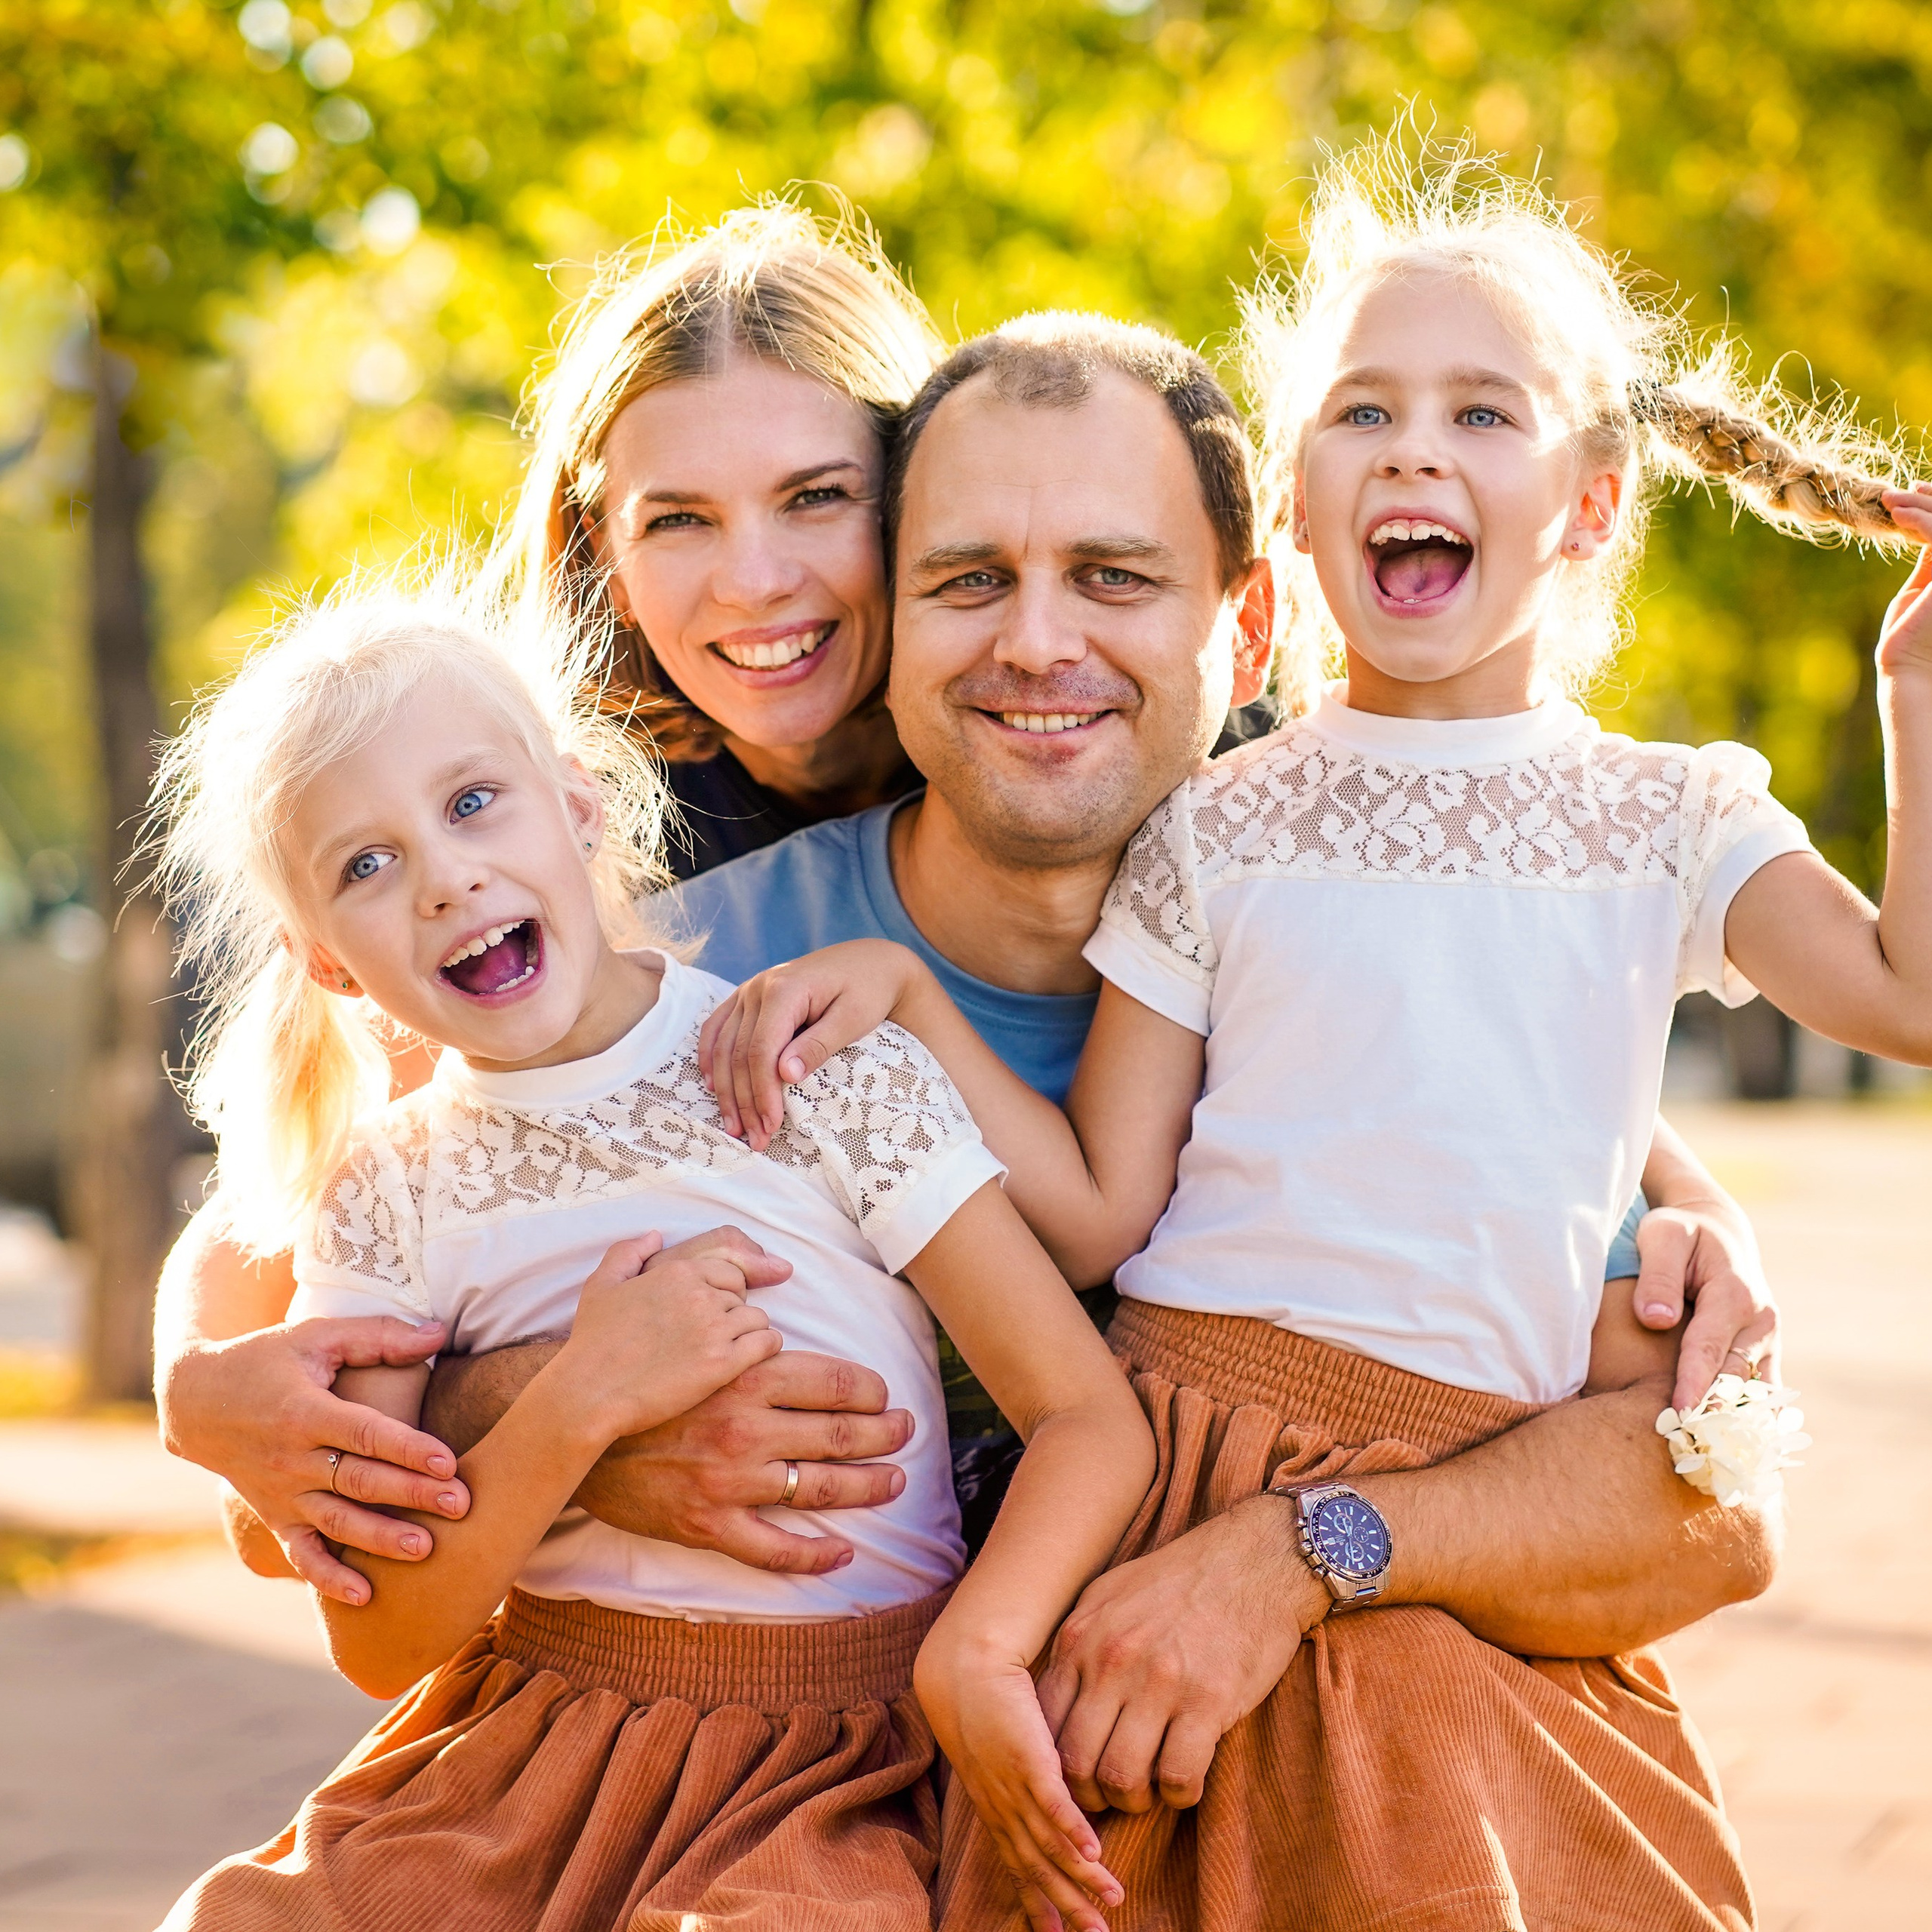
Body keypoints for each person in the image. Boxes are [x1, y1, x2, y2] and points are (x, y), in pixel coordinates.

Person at [705, 155, 1930, 1930]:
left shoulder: (1668, 820)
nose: (1412, 449)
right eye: (1362, 409)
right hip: (1182, 1432)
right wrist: (900, 996)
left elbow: (1904, 993)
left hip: (1469, 1462)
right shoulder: (1211, 825)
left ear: (1588, 505)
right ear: (1291, 500)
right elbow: (1098, 1205)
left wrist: (1910, 693)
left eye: (1478, 412)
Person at [149, 568, 1154, 1930]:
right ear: (326, 960)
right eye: (365, 866)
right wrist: (583, 1401)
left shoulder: (812, 1069)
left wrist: (978, 1651)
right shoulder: (384, 1188)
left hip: (832, 1767)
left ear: (580, 806)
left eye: (472, 802)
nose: (445, 878)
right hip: (530, 1749)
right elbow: (382, 1639)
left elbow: (1086, 1416)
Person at [153, 202, 964, 1605]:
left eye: (819, 496)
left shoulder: (1051, 755)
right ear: (603, 549)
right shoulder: (550, 861)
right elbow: (264, 1377)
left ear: (920, 493)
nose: (754, 578)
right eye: (678, 520)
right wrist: (577, 1435)